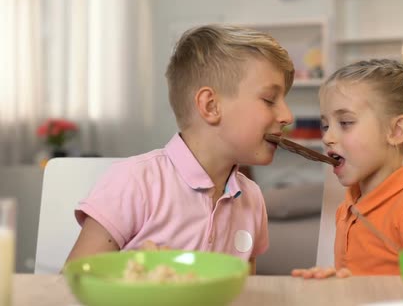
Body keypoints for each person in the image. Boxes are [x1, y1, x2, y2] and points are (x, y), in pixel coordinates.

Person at [65, 24, 295, 274]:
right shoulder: (134, 182)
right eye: (270, 100)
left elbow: (244, 290)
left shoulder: (252, 198)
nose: (287, 115)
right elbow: (72, 285)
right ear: (211, 106)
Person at [293, 33, 403, 278]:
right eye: (325, 125)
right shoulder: (346, 207)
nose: (327, 137)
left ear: (395, 131)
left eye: (345, 122)